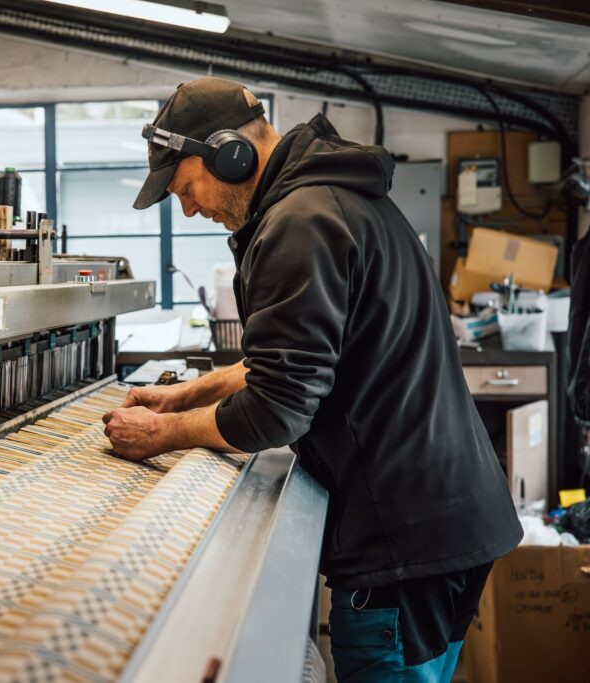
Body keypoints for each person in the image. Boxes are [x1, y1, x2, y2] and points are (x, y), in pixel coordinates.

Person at [102, 77, 522, 682]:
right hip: (440, 518)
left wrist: (159, 436)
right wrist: (183, 395)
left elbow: (277, 408)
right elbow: (301, 357)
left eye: (184, 188)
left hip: (400, 543)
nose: (188, 208)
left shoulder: (298, 222)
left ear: (229, 154)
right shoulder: (334, 197)